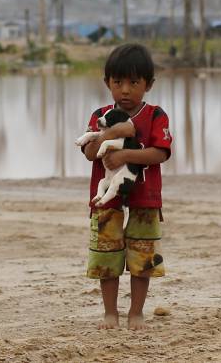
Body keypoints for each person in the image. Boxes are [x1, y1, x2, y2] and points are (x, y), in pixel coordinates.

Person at [80, 43, 173, 331]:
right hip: (106, 199)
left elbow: (160, 153)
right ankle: (111, 313)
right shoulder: (101, 116)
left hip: (145, 198)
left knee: (142, 256)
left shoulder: (155, 115)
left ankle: (136, 312)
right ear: (107, 82)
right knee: (106, 255)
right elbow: (89, 152)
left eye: (134, 83)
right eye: (118, 82)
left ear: (148, 84)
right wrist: (112, 132)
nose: (125, 90)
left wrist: (124, 155)